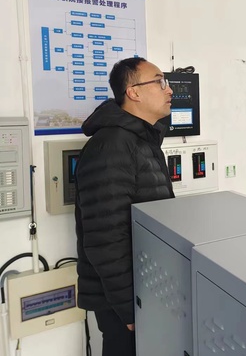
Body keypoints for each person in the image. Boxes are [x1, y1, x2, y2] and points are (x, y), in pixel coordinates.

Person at [74, 57, 175, 356]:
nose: (168, 89)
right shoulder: (112, 145)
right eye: (159, 81)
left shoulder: (141, 141)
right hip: (123, 299)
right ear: (133, 92)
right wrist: (130, 307)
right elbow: (105, 237)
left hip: (143, 287)